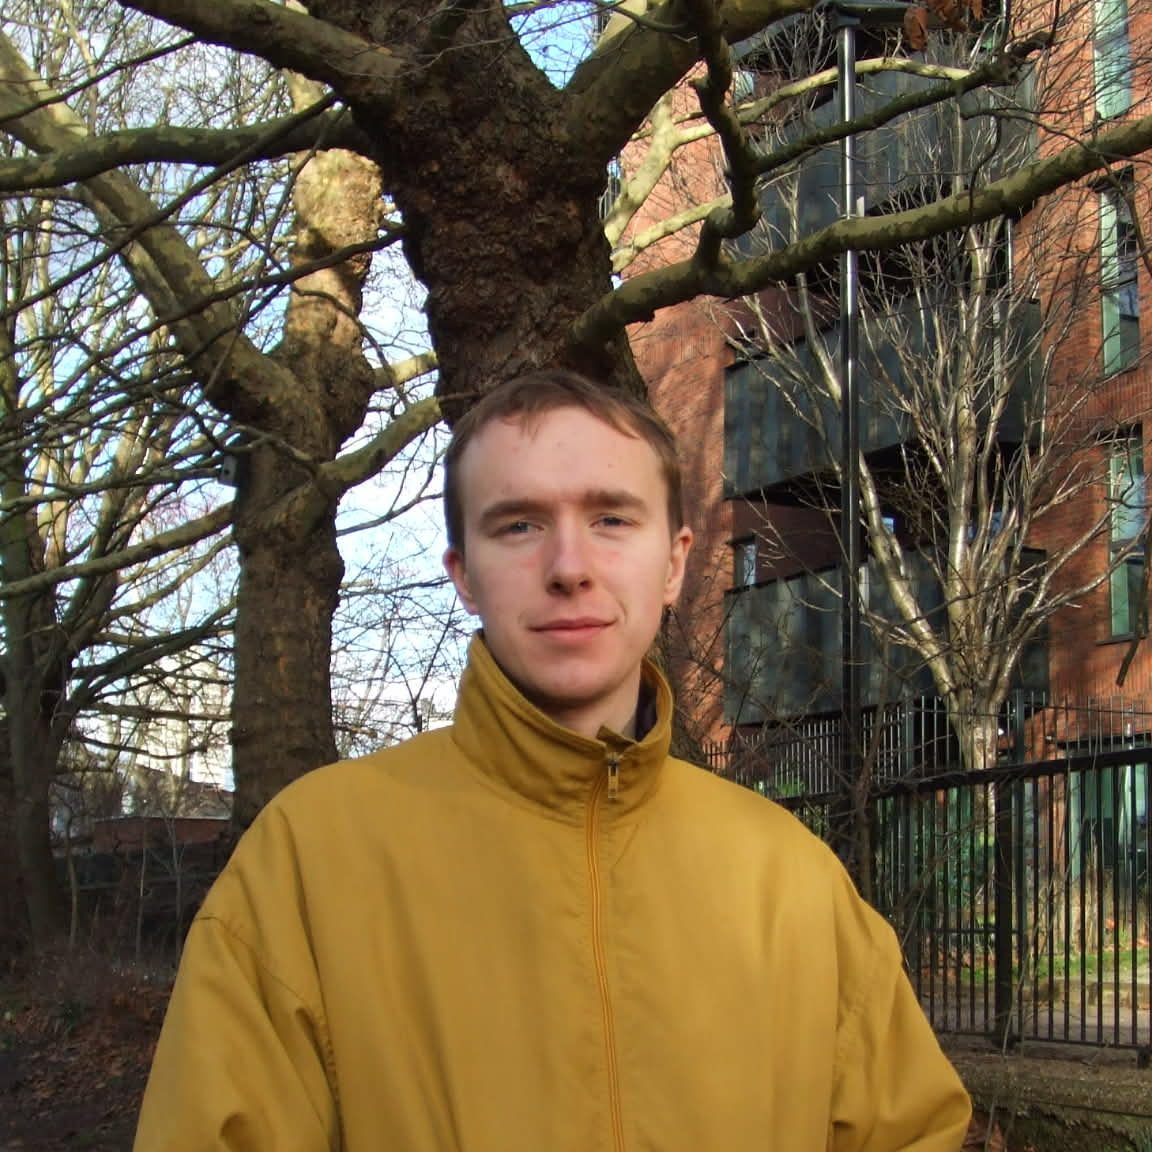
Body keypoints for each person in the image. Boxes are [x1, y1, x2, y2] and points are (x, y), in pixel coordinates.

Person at [134, 368, 972, 1152]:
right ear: (464, 575)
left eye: (612, 519)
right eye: (519, 525)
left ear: (676, 562)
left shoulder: (794, 881)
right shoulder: (308, 861)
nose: (569, 568)